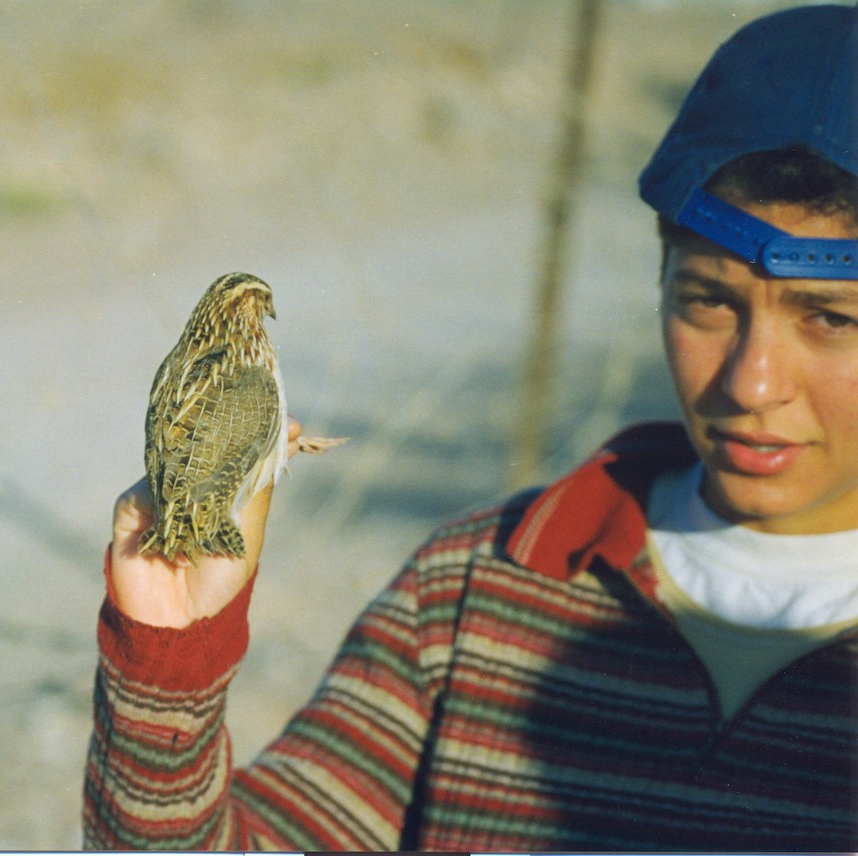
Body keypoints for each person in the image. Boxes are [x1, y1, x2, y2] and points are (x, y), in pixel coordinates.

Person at [83, 4, 858, 850]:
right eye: (708, 299)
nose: (752, 382)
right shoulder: (477, 588)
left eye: (830, 319)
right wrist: (166, 661)